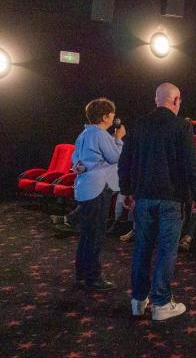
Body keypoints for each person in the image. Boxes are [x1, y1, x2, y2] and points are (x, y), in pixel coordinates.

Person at [119, 83, 196, 321]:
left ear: (156, 99)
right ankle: (161, 304)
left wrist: (126, 190)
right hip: (171, 199)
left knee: (142, 249)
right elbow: (191, 165)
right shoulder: (182, 126)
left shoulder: (138, 125)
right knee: (166, 251)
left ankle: (138, 301)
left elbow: (125, 161)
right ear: (176, 101)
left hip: (143, 197)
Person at [71, 98, 126, 291]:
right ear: (104, 116)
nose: (113, 117)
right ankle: (93, 277)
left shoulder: (85, 133)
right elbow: (115, 157)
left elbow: (75, 159)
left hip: (86, 187)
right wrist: (118, 139)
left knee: (87, 234)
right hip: (98, 188)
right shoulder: (101, 134)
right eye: (111, 114)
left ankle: (82, 272)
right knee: (95, 235)